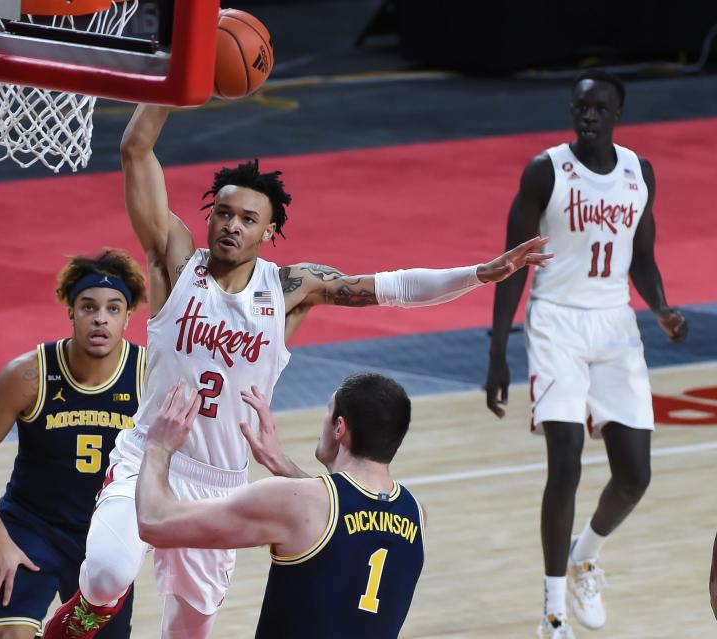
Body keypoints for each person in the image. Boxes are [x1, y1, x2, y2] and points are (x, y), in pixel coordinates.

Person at [43, 103, 551, 639]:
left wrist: (479, 274)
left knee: (187, 632)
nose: (231, 226)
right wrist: (175, 84)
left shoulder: (289, 289)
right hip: (150, 449)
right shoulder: (177, 262)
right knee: (105, 573)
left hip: (221, 479)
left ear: (269, 233)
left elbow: (391, 289)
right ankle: (80, 615)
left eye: (247, 219)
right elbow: (134, 151)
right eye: (222, 212)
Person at [483, 71, 688, 639]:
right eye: (580, 107)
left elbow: (640, 255)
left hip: (616, 325)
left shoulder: (638, 173)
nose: (588, 116)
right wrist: (498, 350)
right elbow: (510, 266)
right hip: (555, 324)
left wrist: (663, 308)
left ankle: (585, 554)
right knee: (566, 460)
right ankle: (551, 611)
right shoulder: (546, 170)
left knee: (635, 474)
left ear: (618, 112)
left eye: (599, 108)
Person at [137, 374, 425, 639]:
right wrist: (283, 465)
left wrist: (158, 448)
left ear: (340, 427)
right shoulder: (415, 515)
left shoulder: (297, 504)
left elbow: (154, 522)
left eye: (328, 411)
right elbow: (343, 521)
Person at [0, 249, 147, 639]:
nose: (100, 318)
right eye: (88, 306)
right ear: (71, 313)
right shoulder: (28, 375)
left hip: (105, 538)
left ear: (128, 318)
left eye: (113, 309)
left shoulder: (149, 377)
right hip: (32, 530)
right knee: (11, 634)